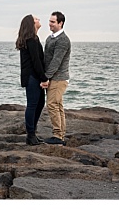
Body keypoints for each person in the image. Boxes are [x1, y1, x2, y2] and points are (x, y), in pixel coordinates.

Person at [15, 14, 47, 146]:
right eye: (35, 18)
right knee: (33, 105)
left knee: (40, 104)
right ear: (31, 23)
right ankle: (30, 135)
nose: (38, 19)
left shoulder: (34, 38)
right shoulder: (31, 40)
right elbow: (36, 61)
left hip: (34, 77)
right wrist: (44, 78)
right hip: (32, 77)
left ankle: (32, 133)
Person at [40, 11, 70, 145]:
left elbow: (56, 62)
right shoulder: (50, 38)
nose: (50, 24)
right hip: (53, 77)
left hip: (59, 78)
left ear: (60, 23)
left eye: (53, 22)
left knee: (52, 104)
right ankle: (61, 135)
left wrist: (45, 78)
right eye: (50, 21)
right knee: (58, 105)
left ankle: (58, 136)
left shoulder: (63, 40)